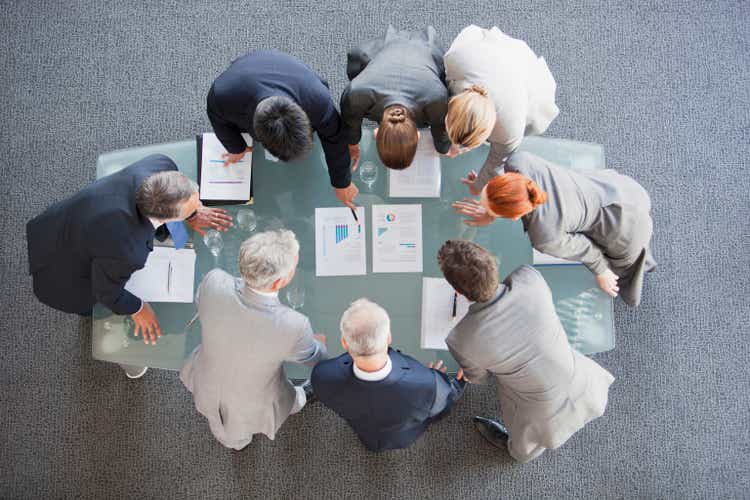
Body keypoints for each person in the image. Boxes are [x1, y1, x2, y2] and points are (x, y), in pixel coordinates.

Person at [26, 154, 232, 347]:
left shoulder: (161, 164)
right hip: (60, 277)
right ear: (166, 219)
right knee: (93, 304)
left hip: (59, 223)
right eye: (194, 206)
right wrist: (138, 308)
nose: (200, 207)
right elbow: (107, 292)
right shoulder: (128, 250)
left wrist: (191, 214)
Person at [437, 239, 615, 463]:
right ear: (493, 262)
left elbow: (480, 378)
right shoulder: (530, 279)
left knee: (523, 448)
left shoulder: (460, 339)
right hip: (583, 380)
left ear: (457, 291)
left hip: (540, 413)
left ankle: (518, 451)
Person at [180, 229, 327, 451]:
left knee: (229, 433)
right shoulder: (294, 324)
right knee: (284, 403)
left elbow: (201, 302)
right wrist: (318, 344)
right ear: (280, 282)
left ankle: (236, 443)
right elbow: (317, 360)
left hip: (205, 379)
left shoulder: (215, 279)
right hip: (251, 402)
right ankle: (239, 441)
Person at [453, 151, 656, 306]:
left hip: (625, 228)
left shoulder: (544, 236)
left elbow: (587, 250)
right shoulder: (518, 161)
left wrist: (601, 272)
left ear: (515, 217)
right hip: (618, 188)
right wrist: (491, 205)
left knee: (624, 280)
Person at [207, 50, 359, 208]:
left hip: (297, 78)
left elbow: (334, 136)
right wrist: (237, 148)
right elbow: (217, 119)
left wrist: (342, 183)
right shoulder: (223, 95)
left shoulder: (317, 98)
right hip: (245, 71)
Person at [311, 298, 465, 452]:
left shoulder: (322, 376)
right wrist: (437, 377)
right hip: (403, 436)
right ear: (389, 337)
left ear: (344, 342)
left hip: (366, 433)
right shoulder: (427, 383)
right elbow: (443, 407)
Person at [443, 25, 559, 193]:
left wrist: (479, 186)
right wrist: (457, 145)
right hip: (488, 59)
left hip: (520, 75)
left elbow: (497, 161)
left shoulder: (509, 128)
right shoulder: (457, 58)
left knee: (533, 124)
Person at [340, 25, 455, 170]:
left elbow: (441, 130)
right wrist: (353, 144)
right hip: (391, 53)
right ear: (376, 134)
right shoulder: (355, 93)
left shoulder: (437, 98)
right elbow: (441, 131)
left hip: (422, 51)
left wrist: (444, 148)